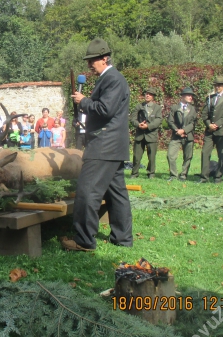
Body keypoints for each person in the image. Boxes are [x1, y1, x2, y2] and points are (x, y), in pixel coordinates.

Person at [61, 38, 133, 252]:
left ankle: (83, 241)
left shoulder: (113, 78)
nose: (90, 64)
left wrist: (83, 101)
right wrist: (83, 114)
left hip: (104, 145)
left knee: (87, 191)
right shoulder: (110, 78)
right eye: (88, 60)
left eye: (93, 60)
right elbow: (105, 112)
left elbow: (105, 109)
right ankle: (122, 238)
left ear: (105, 58)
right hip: (112, 145)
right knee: (116, 194)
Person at [199, 76, 223, 184]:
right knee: (205, 153)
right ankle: (204, 177)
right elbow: (204, 114)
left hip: (221, 130)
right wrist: (209, 124)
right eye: (215, 85)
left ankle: (218, 177)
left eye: (219, 85)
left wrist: (217, 124)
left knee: (221, 154)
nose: (217, 87)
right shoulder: (210, 98)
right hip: (210, 131)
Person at [130, 87, 162, 179]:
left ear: (153, 97)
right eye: (146, 94)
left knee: (151, 156)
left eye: (150, 94)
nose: (147, 95)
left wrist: (148, 126)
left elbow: (158, 120)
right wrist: (138, 124)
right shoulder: (138, 106)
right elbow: (133, 119)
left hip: (151, 135)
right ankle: (134, 173)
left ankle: (151, 173)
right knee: (136, 157)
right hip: (140, 135)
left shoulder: (157, 108)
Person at [167, 87, 197, 182]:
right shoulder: (174, 108)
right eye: (188, 95)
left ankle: (183, 175)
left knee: (188, 156)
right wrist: (177, 130)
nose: (190, 97)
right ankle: (173, 175)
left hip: (188, 135)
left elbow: (193, 123)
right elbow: (170, 121)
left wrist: (184, 131)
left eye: (191, 95)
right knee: (170, 155)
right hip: (176, 136)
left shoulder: (192, 109)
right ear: (183, 96)